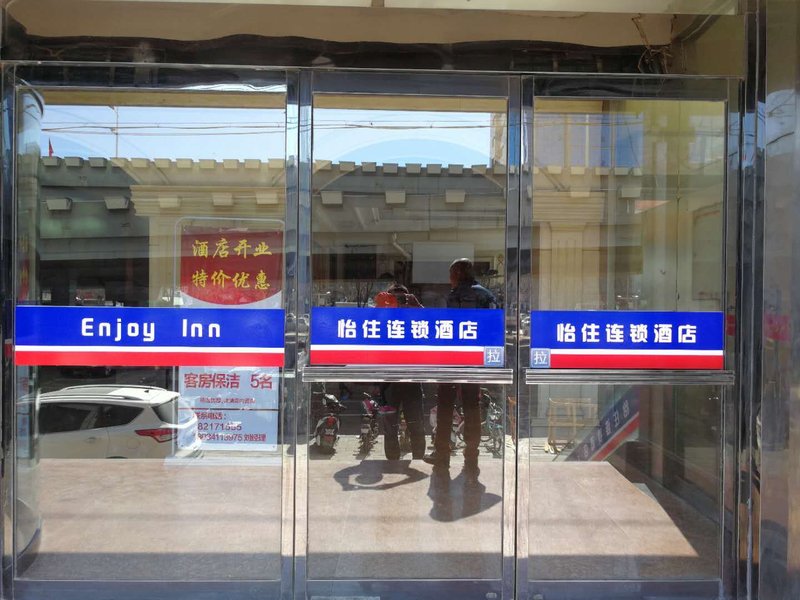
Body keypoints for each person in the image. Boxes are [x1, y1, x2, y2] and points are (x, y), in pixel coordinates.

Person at [424, 258, 498, 474]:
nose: (450, 279)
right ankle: (471, 455)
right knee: (472, 408)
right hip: (474, 361)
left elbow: (442, 330)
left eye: (451, 275)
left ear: (456, 274)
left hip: (451, 360)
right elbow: (494, 328)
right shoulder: (486, 296)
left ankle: (442, 454)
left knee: (445, 407)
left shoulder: (451, 296)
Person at [375, 283, 426, 460]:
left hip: (412, 378)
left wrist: (417, 307)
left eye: (402, 298)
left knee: (416, 423)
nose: (399, 302)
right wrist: (380, 307)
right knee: (390, 426)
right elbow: (368, 330)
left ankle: (419, 458)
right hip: (389, 381)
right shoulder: (382, 319)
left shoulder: (415, 319)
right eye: (393, 298)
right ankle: (392, 460)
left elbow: (431, 326)